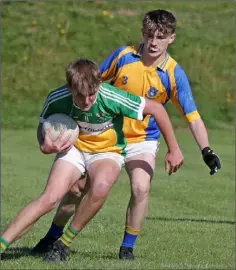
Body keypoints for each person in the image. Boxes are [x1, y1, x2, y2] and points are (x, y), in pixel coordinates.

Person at [30, 9, 221, 260]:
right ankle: (52, 237)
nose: (154, 42)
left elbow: (192, 116)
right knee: (77, 190)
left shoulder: (174, 74)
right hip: (106, 136)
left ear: (171, 38)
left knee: (141, 186)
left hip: (142, 141)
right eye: (150, 35)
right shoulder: (123, 56)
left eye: (161, 36)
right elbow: (89, 82)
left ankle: (126, 248)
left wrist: (206, 150)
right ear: (143, 33)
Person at [0, 58, 184, 261]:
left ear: (98, 86)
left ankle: (62, 245)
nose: (87, 101)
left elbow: (157, 109)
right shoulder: (56, 98)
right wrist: (44, 145)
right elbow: (43, 126)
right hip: (75, 148)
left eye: (91, 94)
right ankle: (2, 245)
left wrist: (173, 149)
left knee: (101, 186)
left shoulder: (111, 96)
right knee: (49, 198)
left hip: (107, 151)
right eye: (80, 96)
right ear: (70, 88)